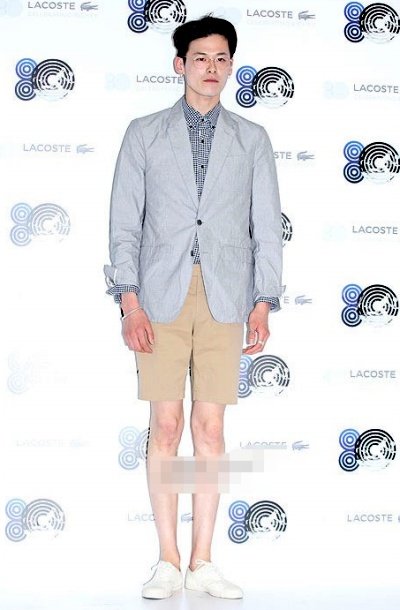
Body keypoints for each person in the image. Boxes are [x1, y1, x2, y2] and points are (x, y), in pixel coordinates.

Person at [104, 14, 282, 600]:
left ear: (231, 67)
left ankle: (204, 560)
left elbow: (265, 226)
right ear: (180, 64)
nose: (212, 68)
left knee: (210, 427)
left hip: (226, 296)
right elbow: (125, 223)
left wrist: (264, 301)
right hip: (158, 295)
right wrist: (129, 301)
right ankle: (167, 559)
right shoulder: (144, 133)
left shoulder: (252, 139)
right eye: (201, 57)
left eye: (221, 58)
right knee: (165, 424)